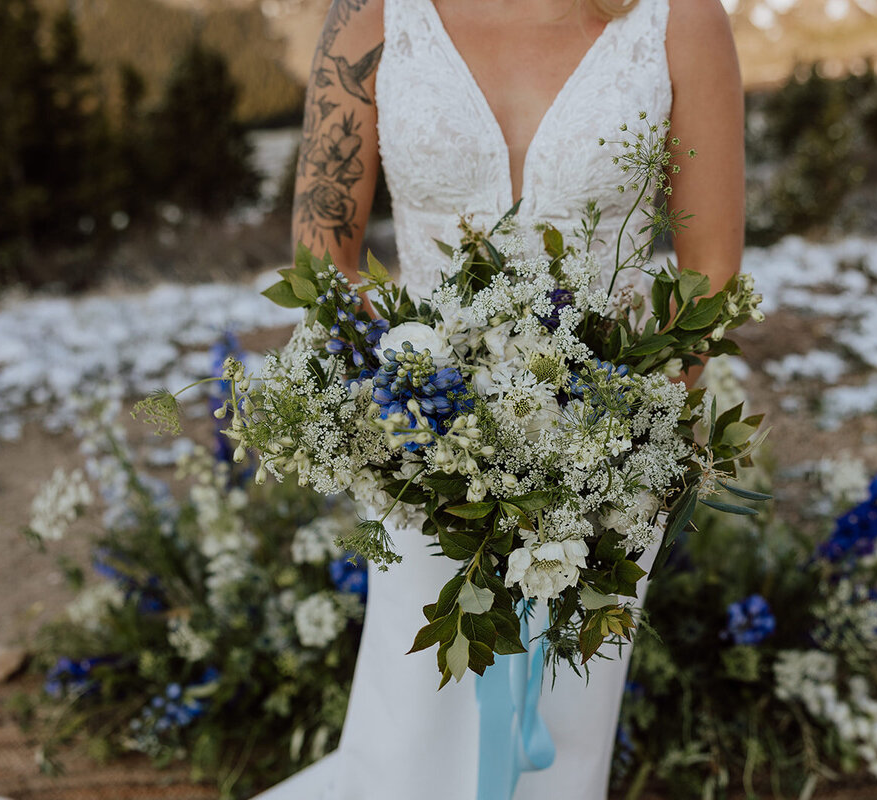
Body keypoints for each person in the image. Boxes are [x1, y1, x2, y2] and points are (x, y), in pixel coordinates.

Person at [257, 0, 743, 797]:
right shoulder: (371, 16)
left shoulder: (678, 20)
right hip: (418, 453)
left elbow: (711, 276)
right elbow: (322, 266)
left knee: (565, 731)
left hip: (606, 468)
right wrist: (408, 413)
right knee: (412, 726)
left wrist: (619, 442)